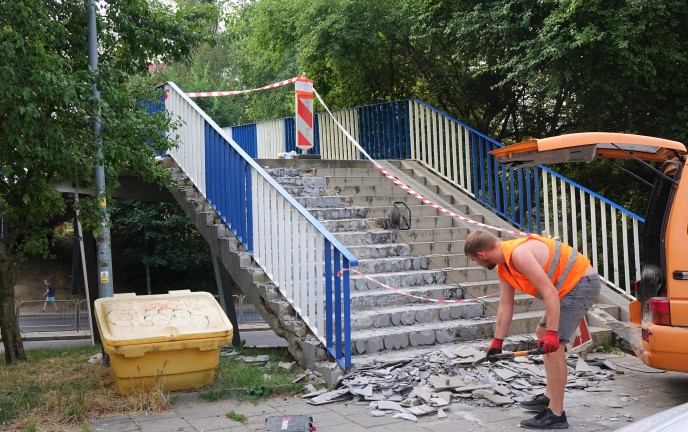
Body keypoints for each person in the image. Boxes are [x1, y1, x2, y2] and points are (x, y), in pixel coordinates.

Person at [464, 229, 601, 430]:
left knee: (554, 346)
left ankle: (556, 414)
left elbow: (549, 292)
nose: (479, 264)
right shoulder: (505, 265)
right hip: (568, 287)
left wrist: (554, 335)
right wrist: (497, 342)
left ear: (482, 255)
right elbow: (505, 305)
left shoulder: (518, 254)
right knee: (541, 333)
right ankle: (549, 396)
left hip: (580, 284)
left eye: (475, 261)